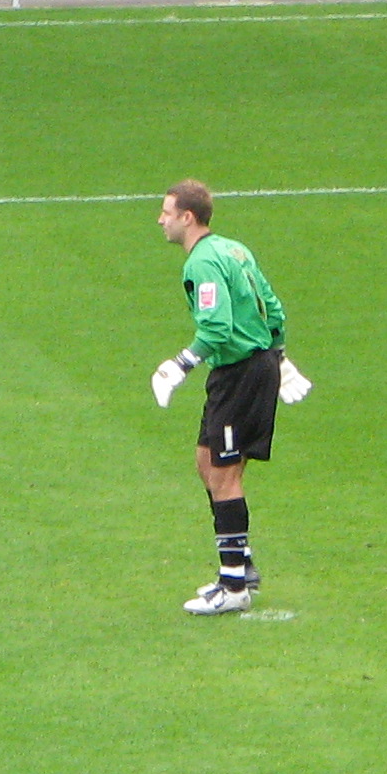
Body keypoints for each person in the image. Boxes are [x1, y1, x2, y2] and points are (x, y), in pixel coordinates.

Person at [148, 180, 309, 616]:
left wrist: (178, 365)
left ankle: (234, 583)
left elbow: (217, 328)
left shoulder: (201, 264)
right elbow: (271, 306)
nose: (160, 220)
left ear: (188, 217)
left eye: (166, 212)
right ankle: (242, 563)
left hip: (240, 373)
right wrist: (279, 355)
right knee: (207, 462)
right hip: (245, 369)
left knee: (224, 473)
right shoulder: (234, 249)